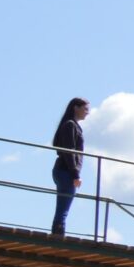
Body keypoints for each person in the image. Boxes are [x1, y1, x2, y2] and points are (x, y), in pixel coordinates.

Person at [49, 98, 88, 236]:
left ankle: (58, 233)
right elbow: (69, 150)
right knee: (63, 209)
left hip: (63, 170)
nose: (87, 112)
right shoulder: (70, 125)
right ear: (75, 108)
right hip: (66, 171)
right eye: (85, 109)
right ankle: (58, 235)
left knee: (62, 207)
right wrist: (75, 174)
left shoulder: (70, 125)